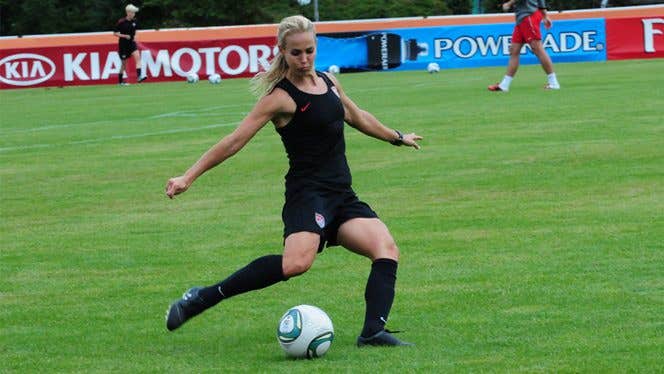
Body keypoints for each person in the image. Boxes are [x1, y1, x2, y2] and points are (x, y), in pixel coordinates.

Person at [164, 15, 423, 347]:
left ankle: (372, 332)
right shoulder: (280, 98)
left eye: (309, 51)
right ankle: (202, 297)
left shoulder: (329, 82)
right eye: (296, 53)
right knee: (297, 263)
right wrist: (189, 176)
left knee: (385, 248)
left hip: (341, 195)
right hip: (308, 194)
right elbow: (234, 141)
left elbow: (358, 117)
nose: (304, 60)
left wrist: (397, 136)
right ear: (282, 52)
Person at [488, 0, 560, 92]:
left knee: (537, 48)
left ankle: (554, 83)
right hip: (523, 18)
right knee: (514, 50)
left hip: (529, 16)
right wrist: (544, 15)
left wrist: (509, 3)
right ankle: (504, 85)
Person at [113, 4, 146, 85]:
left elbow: (135, 30)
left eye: (134, 13)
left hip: (132, 43)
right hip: (123, 45)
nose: (134, 14)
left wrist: (135, 36)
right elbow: (115, 33)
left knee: (138, 58)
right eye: (133, 12)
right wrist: (124, 36)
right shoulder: (121, 22)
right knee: (123, 64)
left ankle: (139, 77)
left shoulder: (135, 21)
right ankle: (120, 81)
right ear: (128, 12)